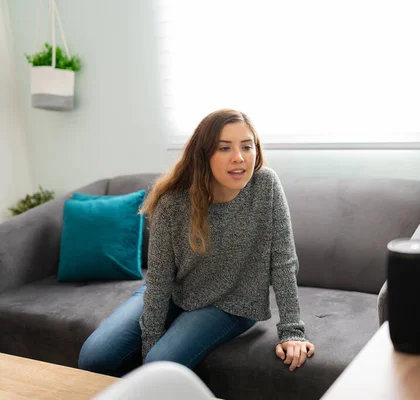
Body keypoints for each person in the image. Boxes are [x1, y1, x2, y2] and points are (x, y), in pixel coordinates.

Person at [78, 108, 315, 377]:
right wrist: (150, 345)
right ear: (203, 155)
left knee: (159, 365)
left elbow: (284, 262)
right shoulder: (172, 202)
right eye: (224, 148)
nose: (239, 158)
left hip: (232, 305)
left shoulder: (266, 185)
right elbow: (159, 279)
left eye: (247, 146)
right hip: (176, 294)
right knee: (94, 357)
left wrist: (292, 331)